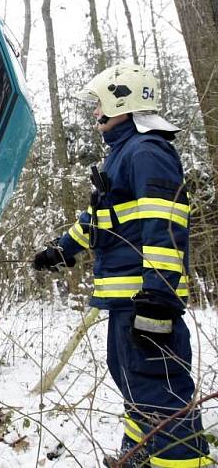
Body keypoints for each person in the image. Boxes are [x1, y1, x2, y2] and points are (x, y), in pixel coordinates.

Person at [32, 64, 212, 467]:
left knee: (159, 391)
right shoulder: (123, 155)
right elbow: (101, 220)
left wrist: (159, 298)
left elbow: (163, 225)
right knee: (135, 383)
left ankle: (180, 462)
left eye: (100, 105)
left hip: (145, 300)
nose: (96, 113)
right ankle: (142, 454)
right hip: (126, 302)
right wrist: (62, 250)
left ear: (122, 102)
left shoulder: (147, 152)